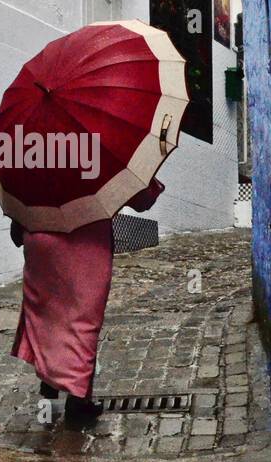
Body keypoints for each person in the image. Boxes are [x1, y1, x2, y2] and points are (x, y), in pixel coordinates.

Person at [9, 177, 164, 425]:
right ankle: (78, 402)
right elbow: (142, 199)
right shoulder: (97, 151)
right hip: (85, 242)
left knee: (49, 316)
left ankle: (49, 383)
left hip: (39, 238)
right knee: (82, 321)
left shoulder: (35, 150)